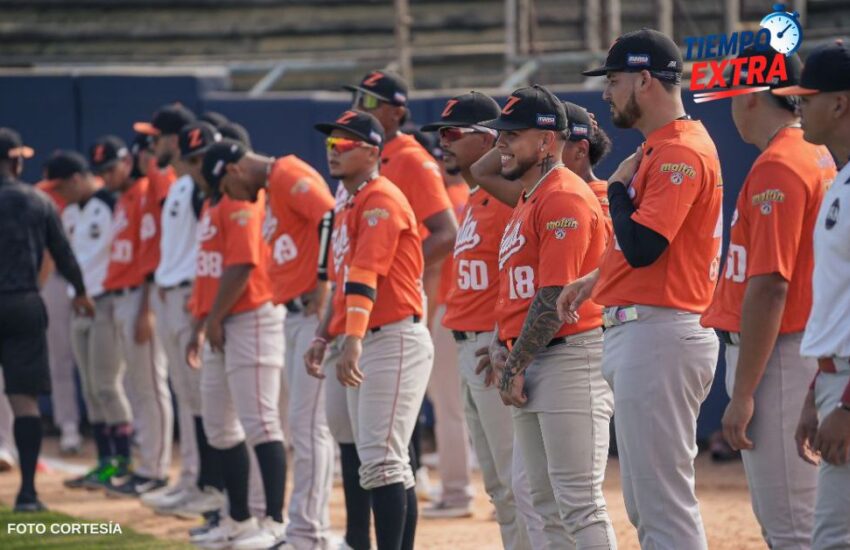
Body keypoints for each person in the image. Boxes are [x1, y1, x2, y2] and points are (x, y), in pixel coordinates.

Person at [560, 29, 724, 549]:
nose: (606, 92)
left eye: (614, 80)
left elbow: (645, 246)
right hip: (650, 330)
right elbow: (649, 251)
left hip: (661, 332)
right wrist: (596, 279)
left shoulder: (679, 150)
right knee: (647, 502)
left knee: (662, 506)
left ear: (645, 79)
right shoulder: (663, 146)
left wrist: (616, 189)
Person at [701, 47, 833, 548]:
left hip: (781, 352)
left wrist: (742, 395)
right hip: (804, 346)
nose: (730, 106)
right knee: (811, 518)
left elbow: (771, 287)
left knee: (791, 527)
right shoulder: (816, 154)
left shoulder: (779, 165)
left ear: (752, 95)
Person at [473, 86, 615, 548]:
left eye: (513, 134)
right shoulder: (530, 197)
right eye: (501, 133)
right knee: (544, 504)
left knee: (579, 503)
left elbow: (554, 294)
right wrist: (503, 345)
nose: (501, 143)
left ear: (547, 141)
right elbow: (520, 292)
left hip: (570, 357)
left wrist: (514, 362)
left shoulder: (562, 197)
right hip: (537, 357)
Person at [421, 91, 545, 548]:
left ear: (489, 139)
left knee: (519, 482)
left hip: (492, 346)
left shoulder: (510, 197)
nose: (444, 143)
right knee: (498, 486)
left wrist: (507, 341)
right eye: (441, 134)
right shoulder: (474, 198)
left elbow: (530, 278)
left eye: (453, 133)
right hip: (465, 344)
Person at [306, 110, 433, 550]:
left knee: (383, 461)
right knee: (369, 454)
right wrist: (324, 335)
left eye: (344, 144)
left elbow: (365, 275)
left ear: (372, 152)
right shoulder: (349, 204)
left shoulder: (381, 198)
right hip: (364, 334)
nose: (333, 151)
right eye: (330, 143)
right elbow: (342, 282)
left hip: (392, 336)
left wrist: (352, 339)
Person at [342, 69, 456, 541]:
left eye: (369, 101)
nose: (359, 106)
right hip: (369, 314)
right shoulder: (361, 174)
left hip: (404, 312)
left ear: (397, 111)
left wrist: (395, 269)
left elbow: (446, 231)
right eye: (357, 98)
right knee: (379, 452)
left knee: (390, 453)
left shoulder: (409, 160)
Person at [215, 141, 338, 550]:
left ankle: (308, 532)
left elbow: (330, 217)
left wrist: (323, 279)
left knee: (307, 427)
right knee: (300, 426)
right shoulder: (272, 185)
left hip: (312, 313)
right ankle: (302, 528)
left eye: (226, 188)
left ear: (233, 170)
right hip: (292, 313)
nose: (232, 198)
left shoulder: (286, 172)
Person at [189, 139, 289, 549]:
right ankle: (240, 518)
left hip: (251, 315)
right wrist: (202, 321)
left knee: (261, 421)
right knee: (218, 425)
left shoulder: (241, 204)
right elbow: (210, 271)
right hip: (221, 320)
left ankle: (275, 521)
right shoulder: (216, 203)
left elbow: (243, 264)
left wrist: (211, 319)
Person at [778, 40, 850, 550]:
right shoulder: (840, 179)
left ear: (840, 104)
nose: (797, 105)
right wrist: (816, 390)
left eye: (808, 97)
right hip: (834, 378)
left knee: (830, 540)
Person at [0, 128, 94, 511]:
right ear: (16, 162)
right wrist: (81, 291)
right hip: (23, 302)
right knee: (25, 402)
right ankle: (27, 494)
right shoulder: (38, 201)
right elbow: (63, 253)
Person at [143, 120, 227, 519]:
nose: (153, 144)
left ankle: (212, 485)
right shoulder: (179, 185)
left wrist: (200, 301)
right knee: (187, 395)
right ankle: (193, 478)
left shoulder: (201, 189)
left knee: (204, 397)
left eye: (157, 136)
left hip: (192, 295)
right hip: (172, 292)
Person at [50, 149, 131, 493]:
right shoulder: (69, 212)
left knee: (107, 384)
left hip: (106, 301)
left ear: (77, 179)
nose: (59, 194)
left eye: (61, 186)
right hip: (79, 303)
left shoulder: (111, 203)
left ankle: (123, 463)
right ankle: (104, 462)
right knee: (90, 389)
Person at [99, 135, 173, 498]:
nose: (106, 176)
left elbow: (153, 255)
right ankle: (149, 465)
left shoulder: (148, 190)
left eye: (111, 168)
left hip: (141, 296)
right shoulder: (126, 198)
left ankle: (155, 470)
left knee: (150, 387)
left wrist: (145, 309)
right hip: (122, 295)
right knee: (137, 387)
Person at [35, 164, 83, 455]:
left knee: (104, 364)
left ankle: (123, 430)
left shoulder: (97, 202)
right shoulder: (43, 200)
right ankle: (69, 427)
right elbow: (48, 253)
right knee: (60, 360)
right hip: (56, 282)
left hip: (92, 285)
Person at [560, 101, 613, 218]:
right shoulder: (536, 195)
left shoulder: (602, 198)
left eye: (556, 143)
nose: (543, 150)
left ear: (581, 150)